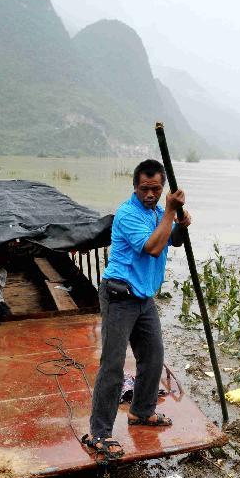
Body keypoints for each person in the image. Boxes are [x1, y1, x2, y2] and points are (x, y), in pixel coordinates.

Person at [83, 159, 192, 461]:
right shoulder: (127, 214)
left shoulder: (159, 213)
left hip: (143, 297)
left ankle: (141, 412)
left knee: (153, 357)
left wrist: (180, 223)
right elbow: (153, 247)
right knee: (113, 365)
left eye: (156, 189)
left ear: (162, 188)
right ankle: (100, 433)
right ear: (135, 187)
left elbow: (174, 241)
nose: (150, 194)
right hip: (119, 296)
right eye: (145, 189)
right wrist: (171, 211)